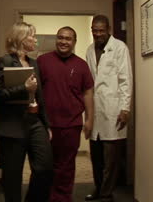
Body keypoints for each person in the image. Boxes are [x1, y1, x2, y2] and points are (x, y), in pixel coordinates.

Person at [0, 21, 53, 202]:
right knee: (12, 176)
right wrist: (24, 87)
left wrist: (46, 124)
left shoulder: (34, 62)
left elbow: (40, 97)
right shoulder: (5, 61)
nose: (35, 40)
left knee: (45, 168)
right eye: (32, 36)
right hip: (12, 125)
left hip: (34, 122)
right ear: (21, 38)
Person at [37, 26, 94, 202]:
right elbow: (34, 90)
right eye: (60, 37)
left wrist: (90, 120)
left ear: (74, 42)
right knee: (44, 166)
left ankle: (62, 199)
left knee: (66, 167)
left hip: (71, 125)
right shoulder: (42, 61)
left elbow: (88, 93)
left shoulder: (81, 65)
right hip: (46, 125)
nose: (63, 41)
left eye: (68, 39)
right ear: (56, 39)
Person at [85, 15, 133, 202]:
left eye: (101, 30)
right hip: (94, 109)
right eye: (94, 30)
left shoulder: (119, 47)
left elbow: (125, 79)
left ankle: (107, 194)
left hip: (113, 108)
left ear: (109, 29)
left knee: (111, 157)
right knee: (96, 155)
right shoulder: (90, 50)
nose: (98, 34)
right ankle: (99, 189)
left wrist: (125, 109)